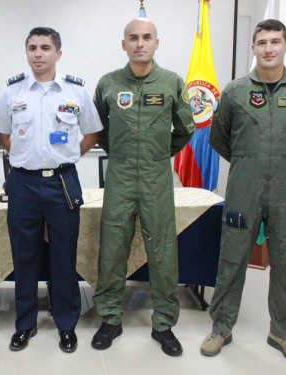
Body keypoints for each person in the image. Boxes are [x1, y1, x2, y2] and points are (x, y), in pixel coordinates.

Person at [0, 27, 103, 353]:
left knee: (64, 255)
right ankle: (24, 324)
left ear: (58, 53)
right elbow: (2, 132)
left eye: (45, 47)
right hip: (23, 182)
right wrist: (24, 158)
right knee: (24, 255)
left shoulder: (76, 91)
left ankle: (66, 324)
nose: (38, 53)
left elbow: (92, 132)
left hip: (62, 181)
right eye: (32, 48)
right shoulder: (12, 91)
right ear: (26, 52)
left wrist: (66, 157)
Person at [91, 18, 195, 356]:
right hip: (119, 176)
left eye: (146, 37)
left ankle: (164, 323)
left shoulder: (171, 82)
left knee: (163, 250)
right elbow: (98, 130)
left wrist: (157, 154)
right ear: (124, 44)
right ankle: (110, 318)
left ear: (156, 43)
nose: (140, 43)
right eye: (133, 38)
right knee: (112, 248)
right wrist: (120, 154)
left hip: (156, 177)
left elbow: (185, 128)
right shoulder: (107, 84)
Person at [201, 19, 286, 365]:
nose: (269, 48)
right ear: (254, 48)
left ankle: (283, 332)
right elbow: (219, 138)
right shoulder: (235, 92)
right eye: (262, 42)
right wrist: (249, 162)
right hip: (244, 187)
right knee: (232, 258)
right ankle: (221, 327)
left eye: (276, 41)